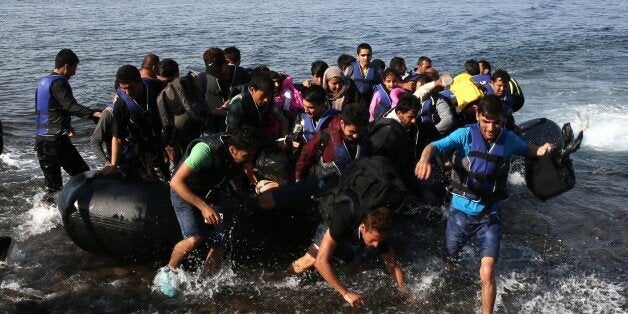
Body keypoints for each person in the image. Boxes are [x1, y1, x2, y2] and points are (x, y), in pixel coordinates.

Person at [414, 95, 553, 314]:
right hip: (459, 213)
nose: (490, 127)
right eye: (486, 121)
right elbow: (433, 146)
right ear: (478, 115)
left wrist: (545, 149)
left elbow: (532, 151)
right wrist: (424, 159)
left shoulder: (508, 140)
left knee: (487, 270)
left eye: (496, 121)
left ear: (502, 119)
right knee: (450, 260)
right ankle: (446, 281)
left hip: (490, 216)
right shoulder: (464, 135)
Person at [155, 126, 260, 297]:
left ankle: (206, 282)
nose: (249, 159)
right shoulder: (204, 151)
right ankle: (168, 271)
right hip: (185, 190)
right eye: (246, 157)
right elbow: (175, 182)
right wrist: (204, 208)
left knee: (220, 241)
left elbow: (239, 163)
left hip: (212, 192)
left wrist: (247, 170)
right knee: (194, 239)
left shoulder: (239, 151)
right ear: (232, 150)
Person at [290, 206, 411, 307]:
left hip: (348, 236)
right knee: (310, 261)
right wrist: (346, 293)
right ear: (363, 228)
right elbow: (320, 262)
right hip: (333, 225)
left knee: (355, 266)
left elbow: (393, 266)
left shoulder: (379, 235)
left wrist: (405, 292)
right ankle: (281, 276)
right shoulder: (342, 220)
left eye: (379, 240)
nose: (376, 245)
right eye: (373, 240)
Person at [35, 48, 101, 203]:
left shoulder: (44, 82)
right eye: (74, 68)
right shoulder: (59, 83)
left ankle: (44, 218)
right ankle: (86, 208)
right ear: (66, 66)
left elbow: (47, 109)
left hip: (41, 142)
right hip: (56, 142)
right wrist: (93, 114)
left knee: (53, 187)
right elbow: (71, 106)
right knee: (82, 173)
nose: (74, 73)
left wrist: (65, 125)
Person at [101, 65, 167, 180]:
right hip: (140, 145)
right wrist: (113, 165)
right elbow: (117, 137)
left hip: (161, 138)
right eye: (123, 89)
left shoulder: (155, 87)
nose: (127, 92)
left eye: (130, 87)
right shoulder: (121, 105)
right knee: (155, 178)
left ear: (139, 81)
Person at [294, 102, 369, 181]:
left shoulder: (364, 136)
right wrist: (298, 178)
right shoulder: (325, 135)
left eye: (359, 131)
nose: (356, 136)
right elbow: (305, 155)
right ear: (342, 123)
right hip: (326, 185)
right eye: (352, 132)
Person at [368, 93, 419, 177]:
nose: (414, 121)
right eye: (410, 117)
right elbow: (375, 156)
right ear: (399, 113)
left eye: (415, 117)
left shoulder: (392, 112)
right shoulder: (388, 131)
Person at [226, 71, 288, 139]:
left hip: (260, 133)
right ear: (252, 90)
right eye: (263, 96)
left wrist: (283, 139)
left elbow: (282, 119)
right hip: (242, 138)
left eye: (269, 96)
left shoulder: (270, 100)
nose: (266, 100)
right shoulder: (237, 104)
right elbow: (231, 132)